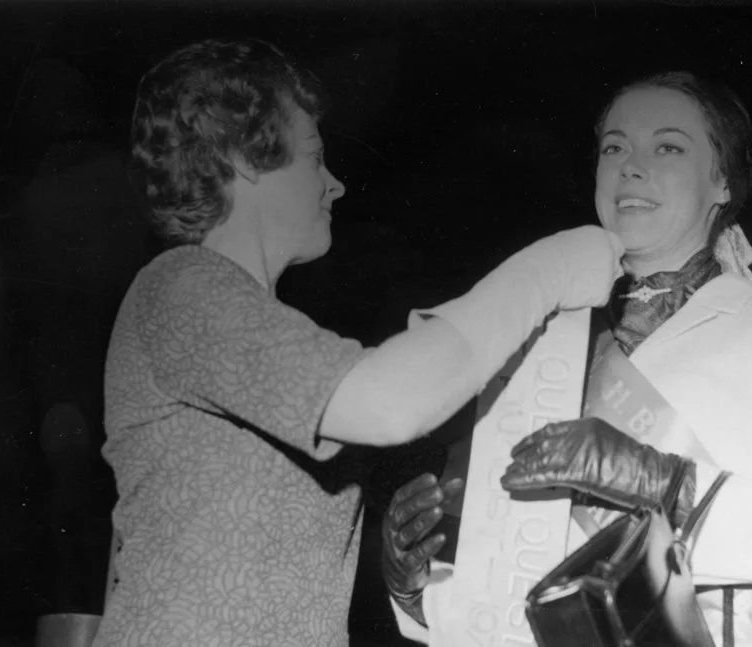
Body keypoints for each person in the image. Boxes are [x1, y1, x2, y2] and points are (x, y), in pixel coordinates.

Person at [92, 38, 625, 647]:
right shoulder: (183, 286)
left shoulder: (252, 323)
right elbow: (389, 400)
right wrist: (550, 270)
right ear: (244, 159)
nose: (334, 184)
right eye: (315, 158)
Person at [384, 71, 752, 646]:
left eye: (668, 146)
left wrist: (664, 485)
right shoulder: (540, 341)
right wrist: (415, 590)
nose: (629, 166)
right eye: (614, 147)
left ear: (723, 183)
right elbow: (512, 589)